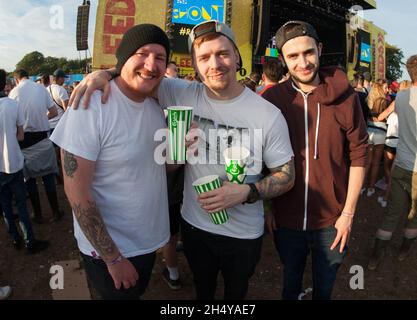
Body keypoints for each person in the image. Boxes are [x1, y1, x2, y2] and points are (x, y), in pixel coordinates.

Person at [70, 20, 295, 300]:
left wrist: (248, 192)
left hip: (244, 233)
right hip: (195, 225)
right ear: (195, 65)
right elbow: (138, 74)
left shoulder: (267, 114)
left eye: (223, 54)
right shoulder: (179, 92)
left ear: (237, 57)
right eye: (204, 57)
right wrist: (104, 73)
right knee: (203, 289)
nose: (215, 64)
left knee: (236, 293)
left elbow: (287, 175)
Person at [50, 24, 186, 300]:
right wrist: (112, 259)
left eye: (160, 57)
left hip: (147, 241)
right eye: (142, 53)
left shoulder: (155, 105)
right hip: (111, 251)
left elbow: (161, 167)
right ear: (123, 57)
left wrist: (181, 150)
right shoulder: (91, 104)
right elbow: (77, 193)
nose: (151, 64)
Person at [262, 20, 368, 300]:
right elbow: (263, 156)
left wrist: (348, 214)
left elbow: (359, 154)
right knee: (290, 285)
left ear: (319, 49)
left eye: (308, 52)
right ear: (283, 59)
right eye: (293, 56)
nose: (303, 62)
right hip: (286, 217)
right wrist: (268, 208)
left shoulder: (346, 97)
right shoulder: (272, 99)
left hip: (333, 220)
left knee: (324, 289)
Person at [368, 55, 417, 269]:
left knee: (392, 212)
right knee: (414, 213)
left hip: (401, 163)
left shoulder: (402, 97)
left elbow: (381, 117)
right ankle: (404, 250)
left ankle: (375, 257)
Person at [0, 68, 49, 254]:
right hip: (12, 162)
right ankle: (30, 241)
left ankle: (14, 238)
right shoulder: (12, 105)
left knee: (5, 204)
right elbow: (21, 136)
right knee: (21, 203)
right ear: (4, 83)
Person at [9, 69, 63, 223]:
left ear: (16, 79)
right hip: (42, 138)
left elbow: (15, 121)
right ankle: (55, 211)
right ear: (27, 77)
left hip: (24, 141)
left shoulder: (13, 93)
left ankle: (38, 214)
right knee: (48, 177)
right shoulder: (40, 88)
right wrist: (42, 118)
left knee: (30, 179)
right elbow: (53, 112)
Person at [363, 82, 389, 198]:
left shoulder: (368, 101)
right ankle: (371, 188)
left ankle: (362, 186)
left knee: (367, 162)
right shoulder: (385, 102)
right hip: (381, 133)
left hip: (369, 132)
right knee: (376, 163)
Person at [48, 69, 69, 133]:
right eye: (63, 78)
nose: (64, 80)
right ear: (60, 78)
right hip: (59, 124)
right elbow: (66, 109)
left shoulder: (47, 89)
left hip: (49, 124)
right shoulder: (61, 90)